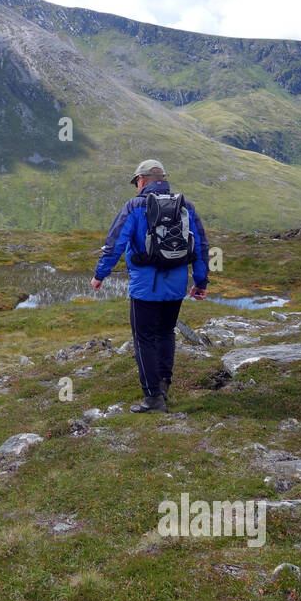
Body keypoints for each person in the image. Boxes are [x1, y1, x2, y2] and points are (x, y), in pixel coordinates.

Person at [91, 159, 209, 413]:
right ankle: (164, 385)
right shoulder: (185, 206)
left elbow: (115, 244)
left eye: (136, 182)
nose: (136, 186)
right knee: (166, 333)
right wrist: (201, 281)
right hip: (176, 285)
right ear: (163, 179)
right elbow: (200, 246)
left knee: (143, 338)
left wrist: (100, 274)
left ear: (142, 180)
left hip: (145, 287)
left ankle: (153, 398)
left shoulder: (134, 206)